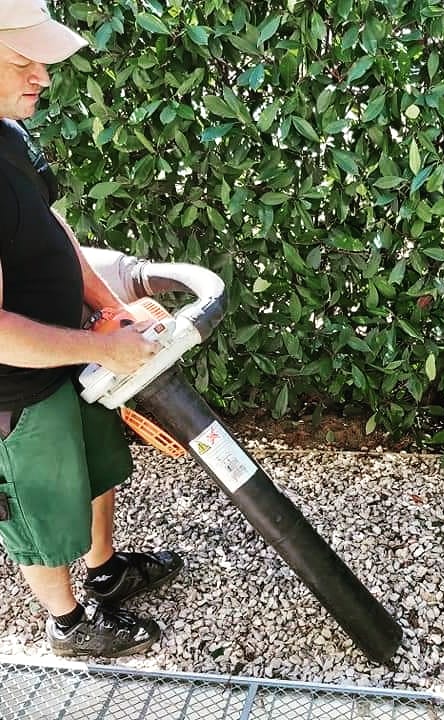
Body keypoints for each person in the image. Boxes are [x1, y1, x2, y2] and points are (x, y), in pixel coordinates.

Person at [0, 0, 183, 657]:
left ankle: (105, 572)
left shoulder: (9, 133)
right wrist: (102, 345)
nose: (43, 77)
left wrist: (109, 309)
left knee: (98, 465)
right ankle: (69, 625)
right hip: (15, 391)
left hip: (73, 354)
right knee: (39, 511)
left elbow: (53, 227)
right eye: (23, 61)